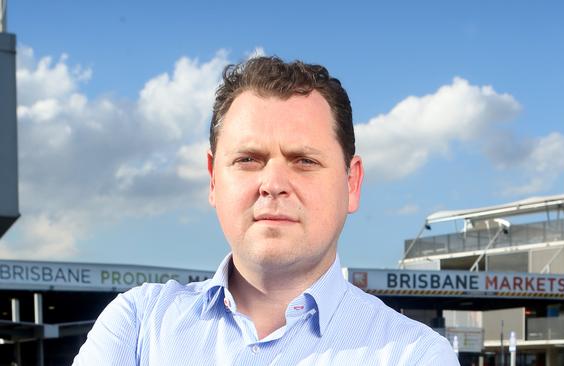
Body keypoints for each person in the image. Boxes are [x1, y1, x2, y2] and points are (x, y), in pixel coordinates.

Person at [73, 56, 458, 365]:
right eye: (248, 159)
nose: (273, 183)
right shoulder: (140, 324)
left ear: (351, 183)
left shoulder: (414, 355)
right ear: (212, 179)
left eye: (304, 160)